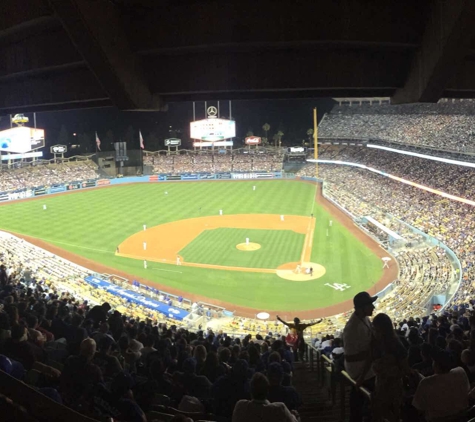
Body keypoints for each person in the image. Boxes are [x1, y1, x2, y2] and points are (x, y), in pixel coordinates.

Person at [342, 291, 377, 422]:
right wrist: (372, 353)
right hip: (359, 370)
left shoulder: (364, 318)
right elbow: (350, 358)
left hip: (364, 367)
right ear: (362, 308)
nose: (373, 307)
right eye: (370, 305)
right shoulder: (352, 328)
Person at [370, 313, 408, 422]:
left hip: (394, 385)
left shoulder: (396, 344)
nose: (374, 332)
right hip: (382, 384)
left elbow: (404, 367)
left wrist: (390, 373)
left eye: (376, 329)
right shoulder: (376, 343)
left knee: (392, 412)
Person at [412, 349, 470, 421]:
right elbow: (467, 390)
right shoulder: (461, 371)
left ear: (436, 364)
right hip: (463, 418)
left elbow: (419, 407)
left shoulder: (425, 383)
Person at [232, 372, 298, 422]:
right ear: (267, 391)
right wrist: (294, 416)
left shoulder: (240, 406)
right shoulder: (280, 409)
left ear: (251, 391)